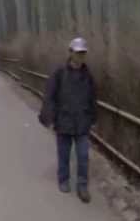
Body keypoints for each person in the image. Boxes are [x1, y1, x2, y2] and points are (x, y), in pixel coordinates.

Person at [38, 38, 97, 203]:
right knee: (63, 155)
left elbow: (93, 98)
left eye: (83, 53)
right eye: (78, 52)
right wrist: (48, 117)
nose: (80, 56)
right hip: (64, 120)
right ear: (70, 52)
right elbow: (49, 96)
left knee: (83, 155)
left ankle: (82, 185)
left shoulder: (88, 76)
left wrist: (93, 118)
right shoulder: (59, 73)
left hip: (82, 121)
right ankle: (63, 180)